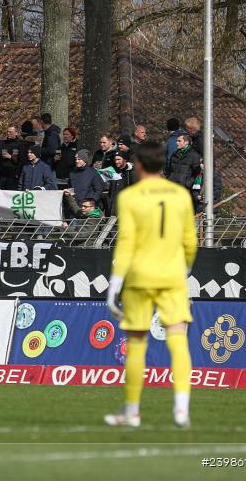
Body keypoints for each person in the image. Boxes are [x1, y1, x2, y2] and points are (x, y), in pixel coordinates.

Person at [105, 140, 197, 429]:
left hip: (139, 278)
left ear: (140, 165)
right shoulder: (180, 194)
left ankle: (132, 411)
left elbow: (127, 241)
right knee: (178, 338)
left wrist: (115, 282)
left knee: (136, 344)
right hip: (172, 277)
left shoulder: (130, 196)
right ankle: (181, 409)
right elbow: (190, 241)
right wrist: (184, 270)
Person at [0, 125, 28, 190]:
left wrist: (10, 157)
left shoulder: (21, 144)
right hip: (2, 174)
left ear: (16, 133)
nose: (8, 133)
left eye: (10, 132)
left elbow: (22, 160)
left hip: (13, 175)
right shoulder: (3, 143)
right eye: (7, 132)